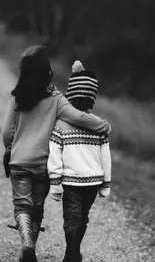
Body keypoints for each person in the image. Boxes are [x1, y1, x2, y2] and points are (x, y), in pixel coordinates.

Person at [1, 47, 111, 262]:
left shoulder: (16, 99)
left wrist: (9, 148)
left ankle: (28, 246)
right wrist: (104, 126)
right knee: (37, 207)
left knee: (22, 205)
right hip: (43, 165)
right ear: (48, 73)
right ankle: (29, 249)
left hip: (19, 163)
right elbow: (79, 117)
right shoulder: (56, 99)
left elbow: (7, 132)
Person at [48, 60, 112, 262]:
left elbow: (54, 152)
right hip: (93, 181)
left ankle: (72, 253)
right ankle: (73, 253)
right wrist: (106, 183)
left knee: (72, 218)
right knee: (82, 217)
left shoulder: (61, 124)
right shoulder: (99, 126)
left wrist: (55, 181)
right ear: (92, 97)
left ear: (70, 94)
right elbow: (105, 157)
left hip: (70, 181)